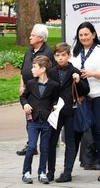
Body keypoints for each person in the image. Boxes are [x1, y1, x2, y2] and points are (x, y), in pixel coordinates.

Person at [70, 22, 100, 182]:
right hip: (81, 99)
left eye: (86, 34)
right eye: (81, 35)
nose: (84, 37)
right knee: (75, 133)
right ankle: (67, 170)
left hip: (99, 97)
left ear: (94, 34)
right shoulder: (74, 52)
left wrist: (93, 73)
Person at [46, 42, 88, 183]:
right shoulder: (51, 72)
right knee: (52, 141)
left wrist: (78, 81)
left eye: (63, 55)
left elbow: (85, 90)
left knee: (70, 141)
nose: (60, 58)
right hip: (56, 112)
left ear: (69, 56)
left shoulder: (74, 71)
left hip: (70, 111)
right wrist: (52, 104)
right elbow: (48, 92)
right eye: (57, 55)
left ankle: (67, 171)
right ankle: (50, 171)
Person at [20, 55, 60, 184]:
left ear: (43, 69)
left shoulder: (54, 85)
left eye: (34, 67)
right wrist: (25, 104)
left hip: (47, 121)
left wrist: (55, 105)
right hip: (33, 120)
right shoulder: (31, 83)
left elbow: (55, 99)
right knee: (31, 146)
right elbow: (23, 97)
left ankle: (42, 172)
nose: (32, 69)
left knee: (45, 147)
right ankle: (26, 172)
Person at [17, 24, 54, 156]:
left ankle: (44, 144)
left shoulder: (48, 52)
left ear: (41, 38)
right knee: (29, 115)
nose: (30, 37)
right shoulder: (29, 51)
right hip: (29, 89)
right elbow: (23, 70)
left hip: (42, 90)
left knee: (41, 116)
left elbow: (51, 72)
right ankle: (31, 144)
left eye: (33, 35)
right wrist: (21, 85)